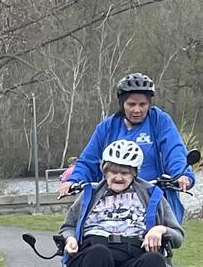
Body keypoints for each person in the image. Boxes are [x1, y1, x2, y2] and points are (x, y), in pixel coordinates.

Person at [58, 139, 183, 267]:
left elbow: (178, 236)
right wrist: (70, 239)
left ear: (134, 173)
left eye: (125, 173)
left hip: (133, 256)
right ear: (105, 172)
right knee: (100, 253)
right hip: (92, 254)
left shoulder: (152, 194)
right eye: (114, 172)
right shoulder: (89, 194)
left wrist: (160, 230)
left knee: (154, 261)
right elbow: (67, 227)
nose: (118, 177)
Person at [62, 72, 194, 219]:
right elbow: (88, 161)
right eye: (131, 104)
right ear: (122, 104)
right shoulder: (107, 127)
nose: (137, 110)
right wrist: (73, 181)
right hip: (112, 204)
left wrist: (182, 174)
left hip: (153, 201)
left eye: (142, 104)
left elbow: (174, 150)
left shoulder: (159, 121)